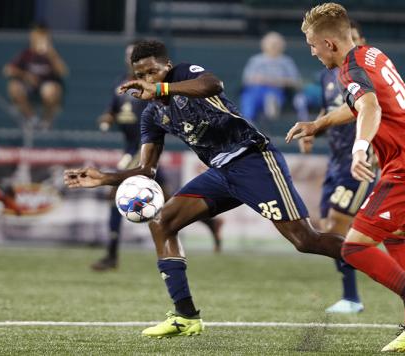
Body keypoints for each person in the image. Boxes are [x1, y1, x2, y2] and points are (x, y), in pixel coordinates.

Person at [64, 39, 345, 338]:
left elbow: (213, 84)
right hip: (221, 173)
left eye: (152, 72)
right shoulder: (152, 115)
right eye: (141, 75)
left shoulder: (185, 74)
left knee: (304, 240)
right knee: (162, 221)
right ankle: (185, 316)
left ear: (167, 67)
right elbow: (147, 171)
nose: (147, 80)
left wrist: (163, 88)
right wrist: (104, 177)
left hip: (252, 159)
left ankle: (372, 256)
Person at [287, 3, 405, 354]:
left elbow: (370, 108)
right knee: (394, 238)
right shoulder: (371, 54)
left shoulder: (349, 70)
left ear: (330, 44)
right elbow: (360, 104)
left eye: (313, 45)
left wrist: (360, 149)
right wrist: (318, 124)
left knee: (354, 247)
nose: (313, 52)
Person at [90, 41, 223, 272]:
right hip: (136, 149)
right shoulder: (121, 84)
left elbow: (162, 110)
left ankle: (111, 255)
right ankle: (211, 223)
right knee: (168, 201)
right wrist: (106, 118)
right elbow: (112, 110)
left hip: (141, 147)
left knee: (115, 195)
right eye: (129, 55)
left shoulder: (155, 84)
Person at [299, 20, 373, 314]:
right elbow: (329, 109)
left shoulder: (364, 74)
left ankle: (353, 297)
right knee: (336, 227)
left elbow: (374, 111)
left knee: (335, 227)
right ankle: (353, 295)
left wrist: (370, 150)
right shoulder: (328, 75)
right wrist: (313, 131)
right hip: (335, 161)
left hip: (357, 164)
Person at [3, 23, 68, 129]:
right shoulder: (27, 53)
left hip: (47, 89)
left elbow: (63, 72)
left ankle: (46, 121)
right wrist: (26, 76)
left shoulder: (52, 55)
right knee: (14, 87)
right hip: (29, 89)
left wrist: (51, 53)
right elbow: (7, 70)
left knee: (49, 90)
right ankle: (32, 118)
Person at [240, 31, 307, 122]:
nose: (273, 46)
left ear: (282, 45)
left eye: (276, 43)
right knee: (248, 97)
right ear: (263, 44)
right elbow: (247, 79)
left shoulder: (286, 62)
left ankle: (271, 107)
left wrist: (273, 81)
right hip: (257, 90)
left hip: (277, 90)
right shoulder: (255, 60)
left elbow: (295, 81)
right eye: (270, 43)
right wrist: (262, 80)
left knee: (272, 95)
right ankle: (248, 122)